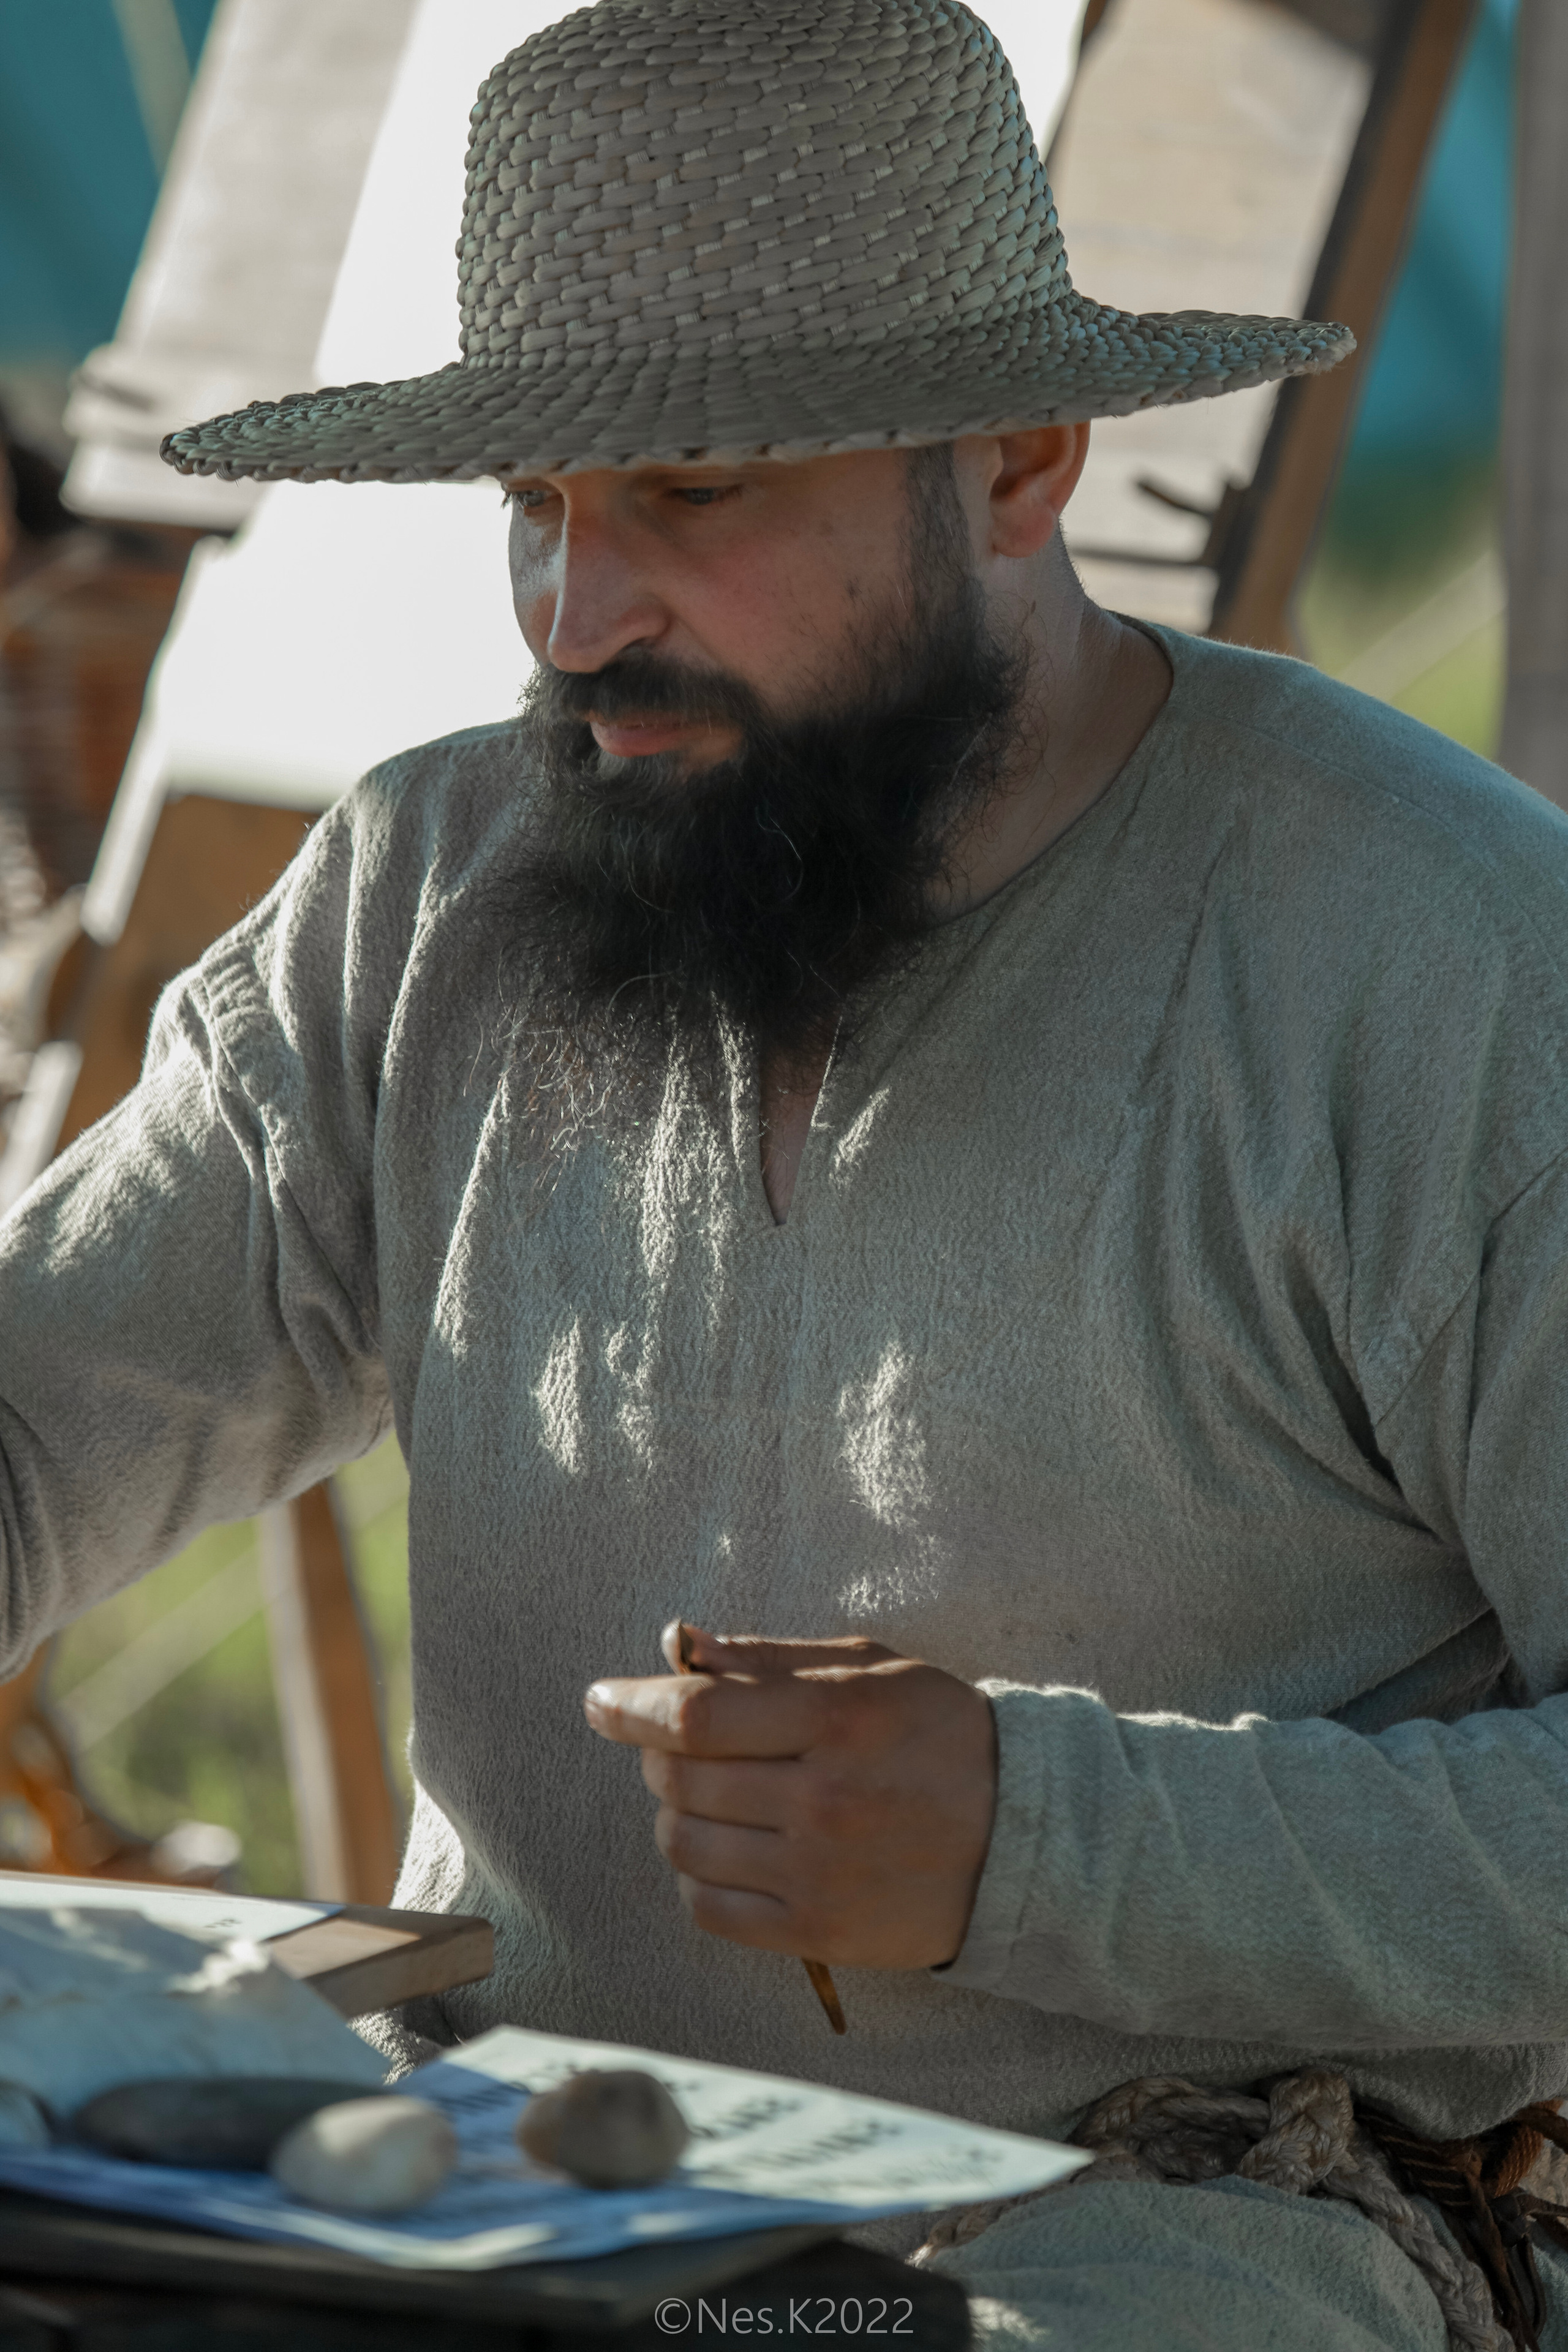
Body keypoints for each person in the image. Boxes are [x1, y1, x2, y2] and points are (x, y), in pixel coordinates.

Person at [15, 0, 1568, 2340]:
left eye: (695, 491)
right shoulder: (432, 888)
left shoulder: (1447, 970)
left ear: (1023, 454)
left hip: (1180, 2227)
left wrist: (1029, 1843)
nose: (572, 613)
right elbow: (43, 1407)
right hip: (509, 2177)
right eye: (533, 505)